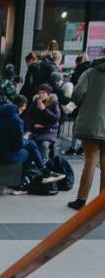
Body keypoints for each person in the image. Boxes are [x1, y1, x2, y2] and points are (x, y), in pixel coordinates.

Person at [0, 96, 66, 195]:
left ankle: (44, 171)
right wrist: (24, 140)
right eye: (23, 109)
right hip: (3, 155)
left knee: (31, 145)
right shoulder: (16, 120)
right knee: (30, 151)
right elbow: (18, 145)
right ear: (22, 107)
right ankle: (22, 183)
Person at [67, 56, 105, 210]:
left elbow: (77, 94)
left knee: (90, 161)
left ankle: (81, 200)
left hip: (91, 124)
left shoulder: (90, 72)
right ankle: (102, 203)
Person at [25, 83, 60, 160]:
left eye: (43, 93)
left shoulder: (54, 104)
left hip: (49, 131)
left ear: (48, 94)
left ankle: (45, 163)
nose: (41, 95)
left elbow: (55, 119)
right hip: (36, 130)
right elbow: (28, 118)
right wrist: (33, 124)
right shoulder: (35, 103)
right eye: (39, 93)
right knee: (28, 143)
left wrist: (44, 110)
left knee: (44, 144)